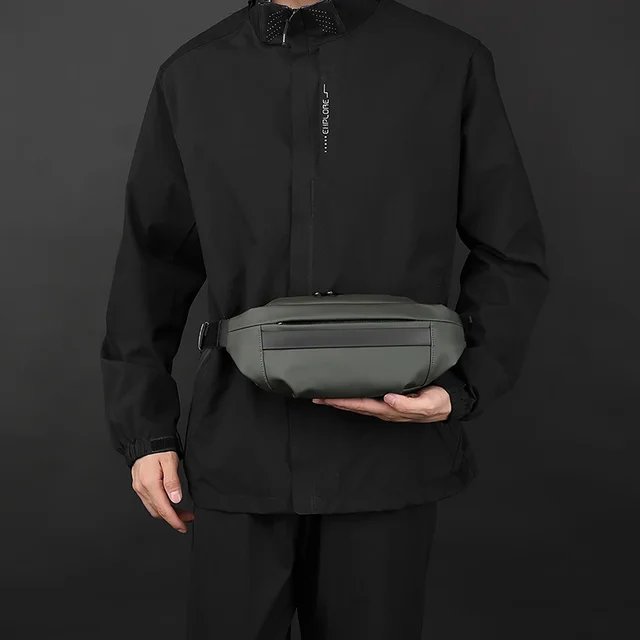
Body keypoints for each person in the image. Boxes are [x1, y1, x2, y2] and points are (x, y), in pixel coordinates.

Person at [99, 0, 550, 638]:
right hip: (240, 451)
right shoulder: (191, 74)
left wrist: (460, 387)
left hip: (387, 457)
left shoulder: (450, 61)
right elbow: (151, 266)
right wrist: (145, 433)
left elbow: (511, 252)